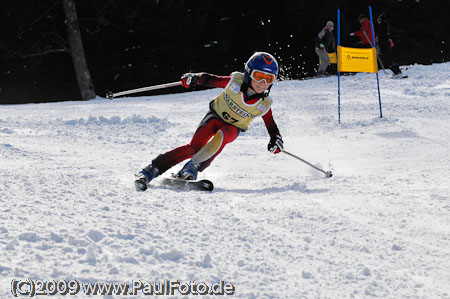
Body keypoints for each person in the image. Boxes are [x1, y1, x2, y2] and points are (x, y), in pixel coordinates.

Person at [134, 52, 284, 191]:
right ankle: (151, 170)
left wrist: (276, 140)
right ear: (248, 73)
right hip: (214, 117)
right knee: (193, 148)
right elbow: (210, 79)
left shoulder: (263, 104)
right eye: (259, 76)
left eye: (269, 79)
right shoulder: (235, 83)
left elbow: (271, 125)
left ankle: (191, 168)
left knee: (223, 136)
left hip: (233, 128)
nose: (263, 83)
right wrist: (195, 78)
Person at [376, 13, 404, 78]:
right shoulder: (385, 26)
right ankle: (397, 71)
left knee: (387, 60)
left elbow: (382, 36)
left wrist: (379, 42)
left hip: (384, 45)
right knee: (387, 59)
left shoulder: (382, 26)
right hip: (385, 44)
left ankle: (397, 72)